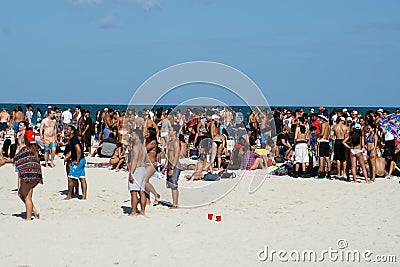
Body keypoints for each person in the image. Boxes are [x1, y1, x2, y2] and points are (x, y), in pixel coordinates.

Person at [0, 133, 42, 220]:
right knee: (22, 194)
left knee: (27, 197)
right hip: (35, 174)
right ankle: (35, 212)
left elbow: (16, 159)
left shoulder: (25, 149)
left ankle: (28, 218)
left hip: (29, 174)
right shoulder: (31, 149)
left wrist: (4, 161)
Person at [64, 125, 87, 200]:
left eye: (67, 129)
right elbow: (73, 151)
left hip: (79, 160)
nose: (65, 131)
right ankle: (83, 196)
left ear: (72, 131)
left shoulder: (74, 139)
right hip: (82, 159)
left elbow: (78, 150)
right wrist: (67, 157)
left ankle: (69, 195)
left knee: (71, 177)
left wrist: (77, 160)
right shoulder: (71, 140)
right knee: (82, 178)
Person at [161, 127, 182, 209]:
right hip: (170, 164)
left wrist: (172, 168)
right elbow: (168, 156)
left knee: (174, 185)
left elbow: (176, 155)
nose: (169, 131)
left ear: (175, 132)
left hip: (175, 165)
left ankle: (175, 204)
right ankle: (174, 203)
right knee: (171, 185)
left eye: (170, 130)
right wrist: (165, 166)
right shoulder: (170, 142)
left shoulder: (176, 142)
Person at [128, 129, 147, 216]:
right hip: (143, 168)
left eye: (133, 135)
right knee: (142, 191)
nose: (131, 137)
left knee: (134, 191)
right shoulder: (143, 146)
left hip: (137, 169)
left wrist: (131, 173)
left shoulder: (136, 147)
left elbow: (134, 160)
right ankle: (142, 211)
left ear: (137, 136)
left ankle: (134, 212)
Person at [144, 127, 160, 206]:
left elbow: (144, 150)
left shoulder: (153, 142)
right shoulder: (147, 141)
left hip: (152, 164)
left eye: (147, 132)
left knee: (144, 181)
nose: (146, 133)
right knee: (145, 183)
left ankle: (156, 195)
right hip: (146, 164)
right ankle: (147, 200)